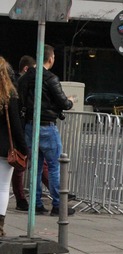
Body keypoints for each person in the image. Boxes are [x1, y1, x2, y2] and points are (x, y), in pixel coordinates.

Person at [18, 44, 74, 216]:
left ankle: (36, 204)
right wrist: (70, 101)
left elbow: (21, 100)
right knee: (55, 166)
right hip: (47, 126)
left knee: (35, 167)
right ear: (50, 58)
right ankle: (58, 205)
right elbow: (63, 103)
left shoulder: (25, 78)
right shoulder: (50, 78)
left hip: (29, 126)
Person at [0, 57, 30, 236]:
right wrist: (24, 148)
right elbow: (16, 126)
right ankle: (0, 225)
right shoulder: (9, 96)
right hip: (4, 148)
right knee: (3, 187)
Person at [11, 55, 35, 211]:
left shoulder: (17, 85)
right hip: (21, 128)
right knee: (24, 164)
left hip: (20, 128)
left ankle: (21, 199)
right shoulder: (20, 85)